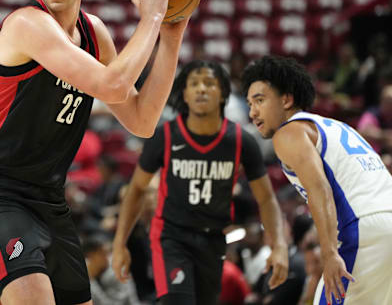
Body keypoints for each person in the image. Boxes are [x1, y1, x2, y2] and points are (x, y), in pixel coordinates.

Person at [0, 0, 189, 305]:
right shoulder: (26, 24)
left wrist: (171, 33)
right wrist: (150, 17)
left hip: (49, 196)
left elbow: (141, 119)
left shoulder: (94, 33)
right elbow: (114, 86)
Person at [112, 60, 289, 305]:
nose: (201, 89)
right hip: (171, 237)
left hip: (213, 239)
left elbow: (267, 198)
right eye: (194, 84)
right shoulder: (164, 136)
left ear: (223, 92)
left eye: (209, 83)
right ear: (184, 93)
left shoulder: (241, 141)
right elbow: (137, 189)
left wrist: (278, 244)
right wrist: (120, 244)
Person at [242, 55, 392, 304]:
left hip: (365, 232)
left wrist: (329, 254)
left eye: (260, 100)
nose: (252, 112)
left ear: (286, 99)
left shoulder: (289, 132)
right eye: (249, 103)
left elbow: (320, 188)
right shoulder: (339, 127)